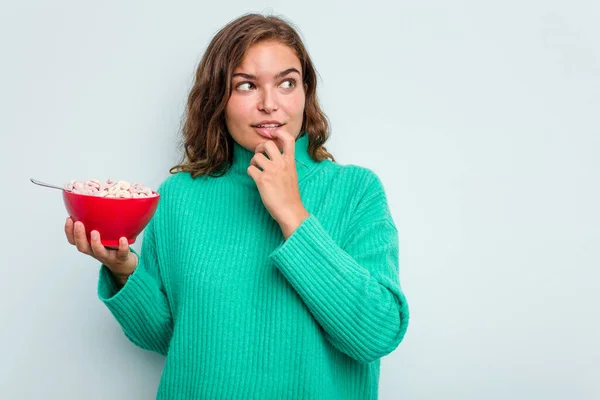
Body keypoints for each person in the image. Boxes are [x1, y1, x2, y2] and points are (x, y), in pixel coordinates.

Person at [64, 12, 409, 399]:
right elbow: (173, 339)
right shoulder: (179, 196)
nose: (270, 105)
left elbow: (377, 334)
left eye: (287, 83)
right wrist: (124, 270)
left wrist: (292, 213)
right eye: (246, 85)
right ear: (218, 98)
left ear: (305, 92)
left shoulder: (356, 191)